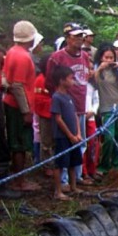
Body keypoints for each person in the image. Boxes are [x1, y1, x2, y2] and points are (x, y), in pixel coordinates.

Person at [46, 22, 93, 186]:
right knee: (65, 143)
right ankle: (64, 181)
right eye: (76, 36)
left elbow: (86, 78)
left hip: (80, 104)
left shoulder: (85, 56)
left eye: (81, 36)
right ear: (67, 38)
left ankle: (77, 177)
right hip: (63, 105)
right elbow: (49, 81)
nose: (80, 39)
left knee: (81, 143)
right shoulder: (57, 57)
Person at [3, 20, 40, 192]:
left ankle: (18, 177)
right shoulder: (23, 56)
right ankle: (19, 180)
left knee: (17, 141)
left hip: (12, 103)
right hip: (18, 106)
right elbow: (17, 86)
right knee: (19, 143)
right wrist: (26, 110)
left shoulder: (11, 51)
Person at [94, 45, 118, 180]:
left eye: (111, 57)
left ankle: (117, 165)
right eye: (106, 57)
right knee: (109, 137)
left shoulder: (117, 71)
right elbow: (94, 83)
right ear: (101, 58)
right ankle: (104, 165)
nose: (109, 60)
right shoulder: (99, 71)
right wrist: (99, 68)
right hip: (106, 108)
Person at [51, 66, 83, 200]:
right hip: (62, 137)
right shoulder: (56, 97)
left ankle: (73, 186)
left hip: (74, 136)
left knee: (73, 162)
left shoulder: (69, 97)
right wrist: (69, 135)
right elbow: (58, 119)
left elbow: (75, 115)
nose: (73, 81)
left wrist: (78, 133)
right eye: (71, 78)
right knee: (60, 163)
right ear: (61, 80)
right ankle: (58, 191)